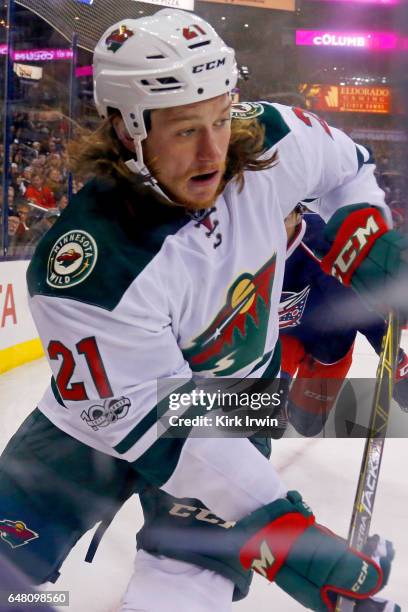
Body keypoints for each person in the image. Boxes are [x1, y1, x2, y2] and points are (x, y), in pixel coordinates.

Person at [0, 9, 406, 612]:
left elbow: (348, 171)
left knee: (179, 598)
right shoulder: (88, 267)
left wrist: (365, 236)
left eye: (221, 118)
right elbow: (157, 428)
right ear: (124, 130)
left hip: (234, 396)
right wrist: (282, 535)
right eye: (186, 129)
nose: (216, 151)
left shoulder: (274, 137)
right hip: (99, 423)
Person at [279, 207, 408, 436]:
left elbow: (362, 315)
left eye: (284, 213)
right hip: (280, 342)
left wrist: (398, 364)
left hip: (328, 347)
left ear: (298, 212)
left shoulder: (321, 245)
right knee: (257, 420)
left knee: (307, 424)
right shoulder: (243, 248)